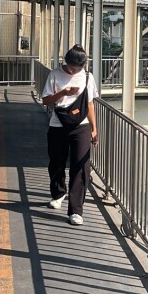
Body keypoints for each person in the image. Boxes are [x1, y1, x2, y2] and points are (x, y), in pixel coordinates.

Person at [41, 45, 99, 226]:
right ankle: (58, 194)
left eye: (78, 68)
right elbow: (46, 100)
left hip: (80, 126)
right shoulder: (55, 75)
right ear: (66, 62)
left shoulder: (88, 77)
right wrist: (64, 92)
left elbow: (89, 104)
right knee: (56, 162)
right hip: (58, 124)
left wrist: (94, 128)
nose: (74, 71)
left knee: (81, 166)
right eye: (72, 67)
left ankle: (76, 210)